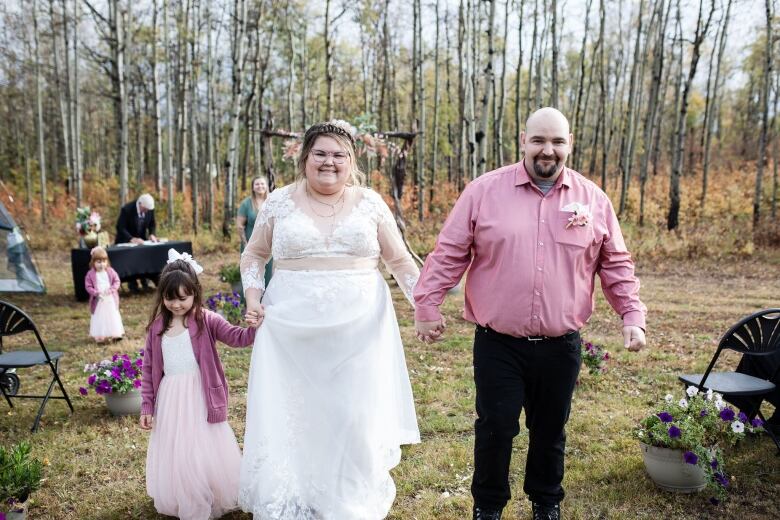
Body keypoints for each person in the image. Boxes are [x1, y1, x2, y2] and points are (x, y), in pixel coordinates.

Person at [414, 107, 647, 520]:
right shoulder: (484, 191)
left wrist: (631, 315)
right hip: (499, 343)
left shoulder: (592, 199)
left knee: (550, 431)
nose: (548, 150)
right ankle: (488, 506)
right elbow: (450, 251)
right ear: (523, 141)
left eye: (557, 141)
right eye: (539, 140)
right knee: (495, 428)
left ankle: (546, 502)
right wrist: (427, 303)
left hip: (561, 345)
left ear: (569, 144)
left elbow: (615, 263)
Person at [238, 120, 421, 519]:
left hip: (360, 327)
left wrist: (423, 305)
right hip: (290, 327)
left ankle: (348, 493)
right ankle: (298, 491)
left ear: (351, 161)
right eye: (320, 153)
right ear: (305, 158)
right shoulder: (279, 202)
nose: (329, 162)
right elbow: (254, 255)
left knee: (353, 409)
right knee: (297, 408)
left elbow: (400, 259)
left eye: (339, 155)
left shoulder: (371, 202)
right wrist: (253, 297)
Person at [140, 249, 258, 520]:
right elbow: (148, 369)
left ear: (195, 293)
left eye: (183, 298)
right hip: (170, 397)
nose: (177, 304)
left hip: (200, 395)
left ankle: (210, 490)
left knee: (202, 445)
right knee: (178, 447)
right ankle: (186, 493)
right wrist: (147, 405)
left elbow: (237, 337)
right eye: (170, 298)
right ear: (162, 297)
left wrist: (254, 326)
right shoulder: (157, 328)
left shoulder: (206, 320)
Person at [116, 193, 159, 292]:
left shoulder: (149, 209)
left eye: (148, 210)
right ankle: (133, 285)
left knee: (145, 259)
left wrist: (152, 234)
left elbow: (152, 224)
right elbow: (120, 227)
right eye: (145, 209)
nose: (147, 211)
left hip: (142, 240)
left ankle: (145, 282)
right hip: (126, 241)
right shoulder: (127, 209)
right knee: (131, 260)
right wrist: (131, 238)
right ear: (140, 204)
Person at [236, 176, 273, 285]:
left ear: (266, 186)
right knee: (251, 274)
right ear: (252, 187)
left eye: (262, 183)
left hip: (269, 245)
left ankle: (265, 301)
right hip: (250, 244)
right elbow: (239, 226)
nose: (260, 186)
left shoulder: (272, 201)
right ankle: (249, 301)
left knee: (268, 274)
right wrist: (246, 244)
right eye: (257, 184)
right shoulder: (246, 203)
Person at [84, 246, 124, 343]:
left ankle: (115, 333)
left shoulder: (110, 271)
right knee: (100, 317)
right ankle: (100, 335)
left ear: (107, 261)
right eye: (98, 262)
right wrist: (96, 293)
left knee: (112, 315)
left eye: (104, 261)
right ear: (93, 262)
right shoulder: (91, 274)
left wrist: (111, 290)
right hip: (98, 300)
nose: (101, 264)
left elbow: (117, 281)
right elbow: (88, 286)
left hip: (110, 298)